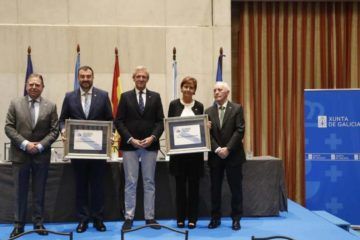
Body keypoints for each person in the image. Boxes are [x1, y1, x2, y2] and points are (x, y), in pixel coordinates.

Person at [59, 65, 113, 233]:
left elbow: (110, 120)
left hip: (98, 151)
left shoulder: (103, 96)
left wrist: (111, 134)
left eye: (88, 76)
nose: (85, 79)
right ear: (78, 78)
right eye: (82, 76)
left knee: (98, 186)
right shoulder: (69, 97)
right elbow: (62, 120)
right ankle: (82, 220)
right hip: (78, 151)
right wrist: (63, 130)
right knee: (81, 186)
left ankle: (98, 219)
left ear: (93, 77)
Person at [5, 73, 59, 238]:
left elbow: (54, 130)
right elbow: (9, 127)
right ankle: (18, 225)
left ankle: (38, 223)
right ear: (26, 86)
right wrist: (25, 144)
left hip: (41, 156)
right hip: (20, 155)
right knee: (20, 192)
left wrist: (41, 145)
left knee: (39, 191)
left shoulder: (51, 106)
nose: (34, 87)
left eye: (37, 85)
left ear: (43, 87)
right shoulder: (15, 103)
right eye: (31, 84)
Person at [115, 66, 164, 231]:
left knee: (149, 182)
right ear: (133, 78)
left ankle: (150, 217)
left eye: (144, 77)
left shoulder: (155, 97)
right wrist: (130, 139)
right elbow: (119, 121)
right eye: (138, 77)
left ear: (147, 79)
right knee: (130, 182)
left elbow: (160, 122)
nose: (141, 79)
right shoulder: (125, 96)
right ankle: (129, 217)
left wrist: (153, 138)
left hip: (150, 146)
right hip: (130, 146)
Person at [205, 82, 246, 231]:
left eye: (219, 90)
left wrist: (227, 149)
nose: (216, 92)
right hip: (215, 157)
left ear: (227, 92)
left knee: (236, 189)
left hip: (233, 156)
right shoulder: (207, 111)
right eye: (214, 90)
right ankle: (215, 218)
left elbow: (240, 130)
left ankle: (236, 219)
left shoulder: (237, 108)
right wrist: (217, 149)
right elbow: (207, 135)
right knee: (215, 189)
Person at [167, 76, 204, 229]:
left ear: (194, 90)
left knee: (194, 188)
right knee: (180, 189)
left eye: (191, 87)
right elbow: (169, 126)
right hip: (178, 157)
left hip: (195, 156)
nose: (188, 90)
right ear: (181, 88)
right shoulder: (173, 105)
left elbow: (201, 129)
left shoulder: (200, 106)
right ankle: (180, 218)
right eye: (185, 87)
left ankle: (193, 218)